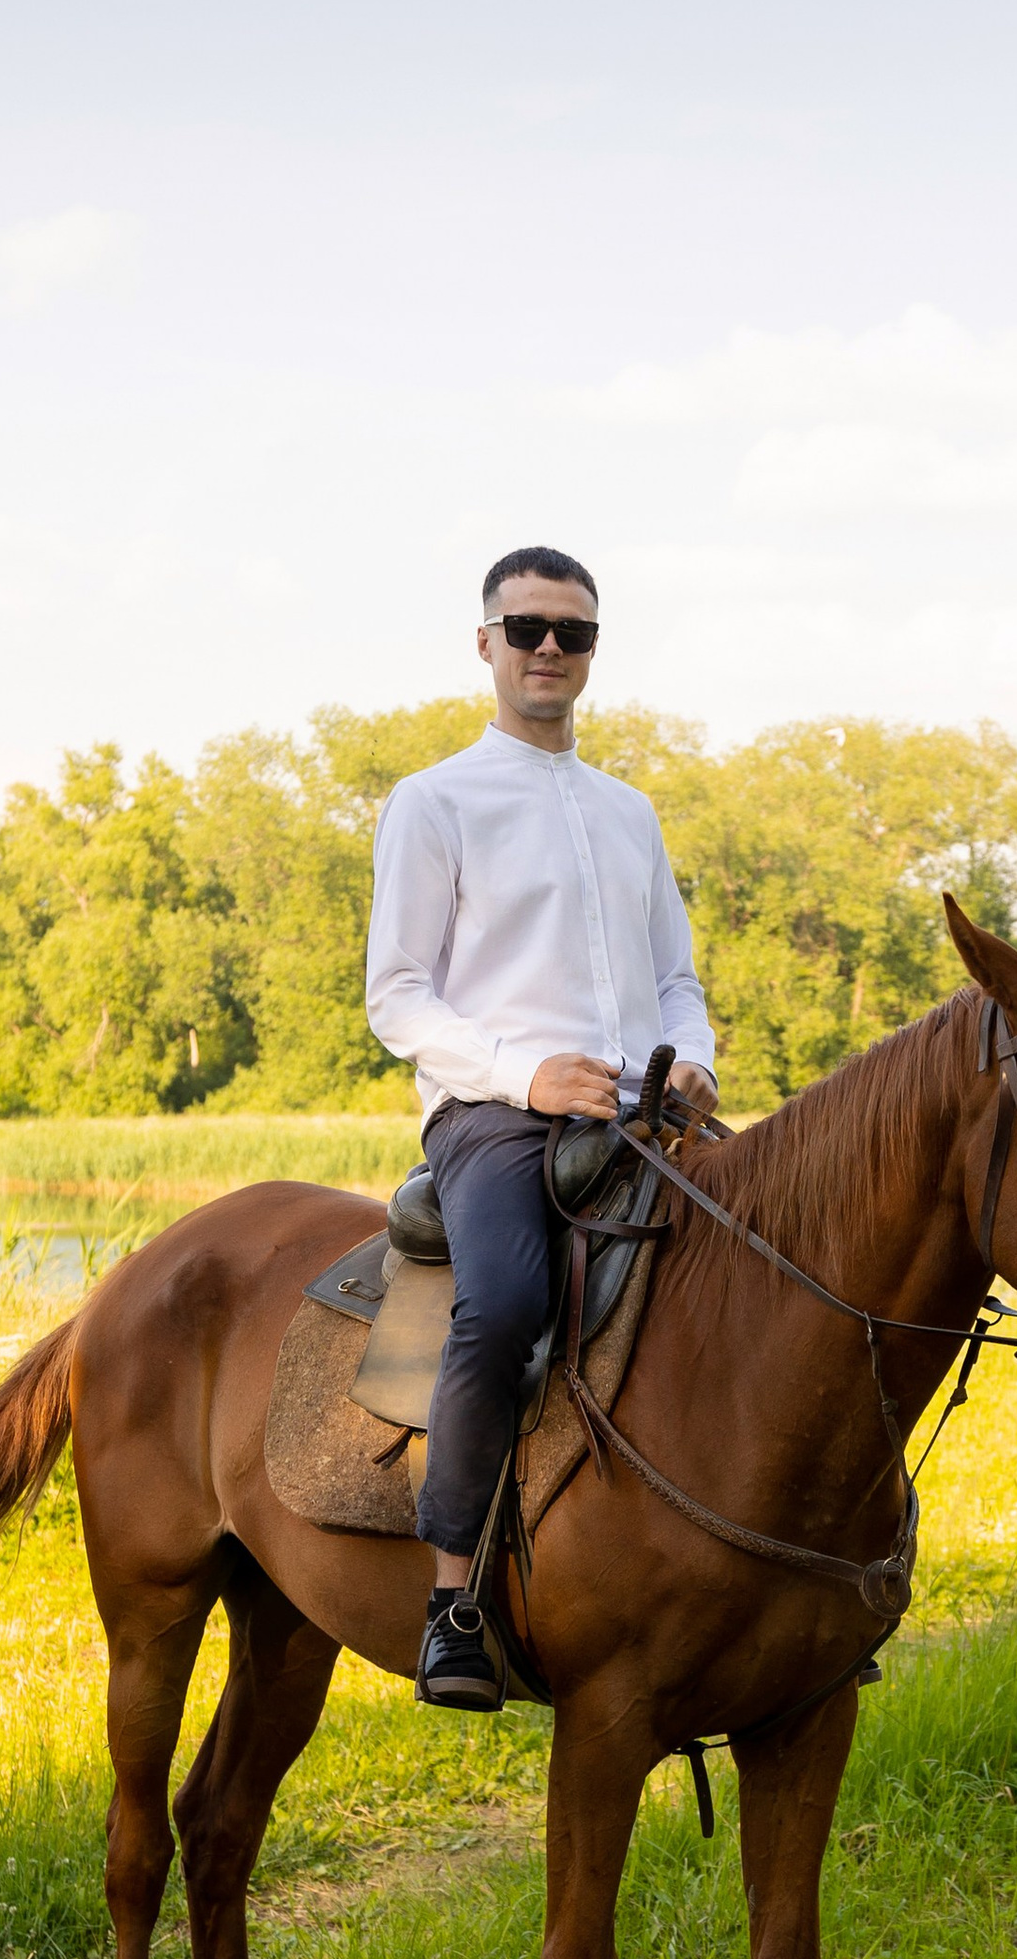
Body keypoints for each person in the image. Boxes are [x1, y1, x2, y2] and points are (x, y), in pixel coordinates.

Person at [365, 545, 719, 1706]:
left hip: (639, 1113)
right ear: (486, 645)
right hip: (492, 1117)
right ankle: (453, 1603)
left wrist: (696, 1066)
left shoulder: (629, 814)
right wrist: (527, 1076)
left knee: (771, 1264)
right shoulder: (434, 802)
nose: (549, 649)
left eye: (572, 632)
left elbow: (677, 980)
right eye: (526, 629)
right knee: (507, 1302)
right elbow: (398, 995)